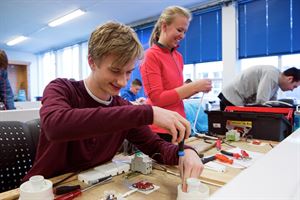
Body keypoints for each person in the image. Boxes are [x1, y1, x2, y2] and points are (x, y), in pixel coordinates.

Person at [23, 21, 203, 192]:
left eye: (129, 72)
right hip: (43, 191)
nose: (123, 81)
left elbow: (156, 147)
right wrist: (147, 112)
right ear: (92, 62)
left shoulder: (122, 108)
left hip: (90, 189)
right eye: (115, 71)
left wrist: (186, 151)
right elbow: (56, 126)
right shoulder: (61, 89)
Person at [140, 6, 212, 142]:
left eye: (184, 32)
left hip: (178, 125)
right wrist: (194, 87)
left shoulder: (178, 57)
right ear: (164, 26)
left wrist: (197, 89)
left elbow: (175, 96)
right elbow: (158, 99)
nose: (182, 36)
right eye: (179, 30)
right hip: (160, 129)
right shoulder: (150, 56)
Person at [218, 65, 300, 111]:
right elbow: (262, 102)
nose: (292, 90)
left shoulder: (276, 82)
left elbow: (272, 103)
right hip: (231, 98)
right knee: (232, 131)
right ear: (290, 79)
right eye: (294, 86)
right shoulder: (272, 75)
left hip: (236, 99)